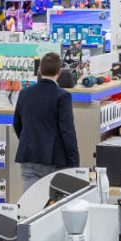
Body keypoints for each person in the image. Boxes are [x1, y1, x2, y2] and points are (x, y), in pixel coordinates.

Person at [13, 52, 80, 188]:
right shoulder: (63, 96)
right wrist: (74, 162)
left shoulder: (25, 93)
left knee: (31, 202)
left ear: (39, 70)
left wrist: (29, 141)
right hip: (54, 159)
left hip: (29, 157)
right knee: (54, 204)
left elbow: (17, 124)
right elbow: (67, 131)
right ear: (59, 72)